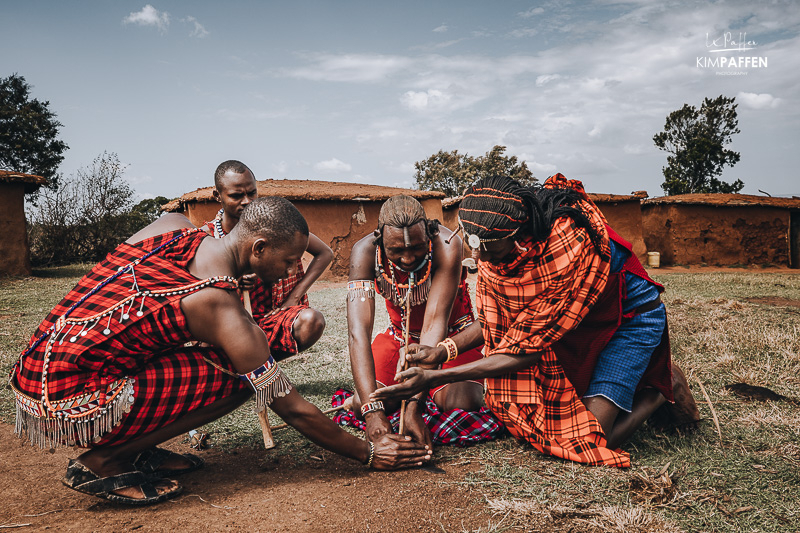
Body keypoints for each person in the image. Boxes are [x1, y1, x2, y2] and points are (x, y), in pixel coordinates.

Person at [10, 197, 430, 506]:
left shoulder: (175, 225)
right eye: (287, 261)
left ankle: (138, 447)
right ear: (258, 248)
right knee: (248, 378)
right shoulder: (217, 304)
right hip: (73, 399)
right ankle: (107, 460)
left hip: (37, 369)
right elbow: (288, 405)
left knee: (228, 359)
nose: (290, 271)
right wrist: (368, 451)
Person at [372, 174, 700, 468]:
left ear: (517, 237)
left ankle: (661, 387)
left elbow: (525, 352)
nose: (481, 259)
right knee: (531, 419)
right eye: (476, 248)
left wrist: (434, 377)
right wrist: (441, 352)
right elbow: (495, 322)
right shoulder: (496, 244)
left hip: (628, 319)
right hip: (573, 323)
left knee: (590, 440)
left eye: (490, 251)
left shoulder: (564, 253)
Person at [343, 195, 502, 451]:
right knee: (372, 402)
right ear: (379, 238)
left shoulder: (448, 244)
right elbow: (358, 332)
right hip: (398, 338)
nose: (408, 258)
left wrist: (414, 406)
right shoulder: (365, 252)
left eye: (416, 247)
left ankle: (425, 396)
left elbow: (433, 325)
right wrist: (372, 414)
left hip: (450, 339)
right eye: (396, 250)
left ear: (429, 233)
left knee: (460, 404)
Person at [203, 160, 333, 359]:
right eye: (236, 196)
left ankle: (263, 364)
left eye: (252, 193)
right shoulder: (207, 238)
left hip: (271, 318)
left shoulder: (272, 226)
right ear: (217, 195)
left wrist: (293, 298)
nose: (247, 201)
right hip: (229, 325)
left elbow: (325, 253)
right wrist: (233, 280)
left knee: (311, 321)